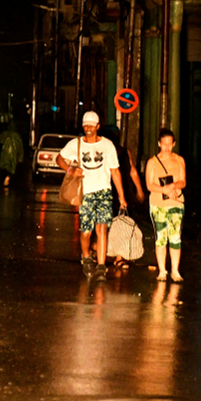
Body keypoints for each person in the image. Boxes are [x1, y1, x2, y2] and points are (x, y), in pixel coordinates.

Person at [56, 111, 128, 279]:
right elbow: (60, 158)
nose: (88, 128)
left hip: (104, 191)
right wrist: (70, 170)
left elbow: (115, 172)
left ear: (98, 126)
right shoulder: (76, 144)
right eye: (86, 125)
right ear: (83, 126)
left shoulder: (107, 145)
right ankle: (86, 256)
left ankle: (101, 266)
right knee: (86, 231)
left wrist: (121, 196)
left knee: (102, 228)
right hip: (85, 192)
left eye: (92, 125)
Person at [98, 125, 146, 268]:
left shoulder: (112, 151)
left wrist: (139, 190)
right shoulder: (121, 151)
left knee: (117, 224)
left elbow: (132, 172)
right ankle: (112, 254)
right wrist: (139, 190)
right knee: (119, 224)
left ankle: (116, 255)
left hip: (118, 191)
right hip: (118, 191)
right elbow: (133, 172)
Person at [145, 128, 186, 282]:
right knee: (161, 237)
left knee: (175, 236)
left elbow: (183, 181)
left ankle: (175, 270)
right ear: (159, 144)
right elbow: (149, 185)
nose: (167, 148)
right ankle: (163, 270)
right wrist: (164, 189)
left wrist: (173, 186)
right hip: (158, 204)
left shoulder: (179, 160)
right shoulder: (152, 162)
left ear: (174, 144)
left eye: (170, 144)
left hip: (176, 202)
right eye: (164, 144)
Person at [0, 123, 24, 187]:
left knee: (5, 168)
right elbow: (21, 147)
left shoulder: (5, 134)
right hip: (14, 155)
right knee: (11, 169)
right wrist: (20, 158)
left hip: (5, 154)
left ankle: (6, 179)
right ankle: (7, 179)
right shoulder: (17, 136)